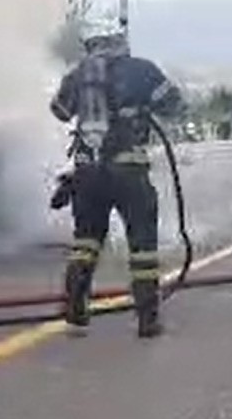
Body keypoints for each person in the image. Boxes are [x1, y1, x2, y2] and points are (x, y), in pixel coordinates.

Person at [50, 27, 184, 338]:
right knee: (142, 247)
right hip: (129, 171)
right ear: (119, 41)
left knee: (86, 241)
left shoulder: (78, 74)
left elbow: (59, 111)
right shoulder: (142, 70)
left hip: (87, 173)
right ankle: (147, 319)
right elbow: (174, 104)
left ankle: (74, 309)